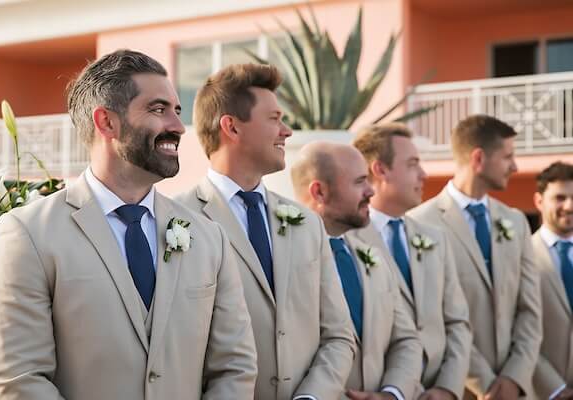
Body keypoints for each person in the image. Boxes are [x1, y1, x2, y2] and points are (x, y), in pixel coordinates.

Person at [0, 49, 257, 400]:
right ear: (106, 122)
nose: (177, 126)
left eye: (177, 111)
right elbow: (18, 380)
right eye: (158, 109)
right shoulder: (29, 233)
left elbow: (235, 366)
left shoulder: (208, 237)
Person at [176, 63, 356, 400]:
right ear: (231, 127)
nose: (286, 131)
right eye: (274, 118)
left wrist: (312, 397)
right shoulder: (176, 220)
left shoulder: (307, 224)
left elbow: (339, 335)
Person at [410, 115, 542, 399]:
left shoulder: (516, 221)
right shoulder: (420, 224)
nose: (515, 166)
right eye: (508, 156)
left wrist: (513, 378)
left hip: (517, 390)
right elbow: (432, 317)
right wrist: (484, 384)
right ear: (479, 158)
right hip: (459, 389)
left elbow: (530, 310)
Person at [291, 141, 423, 400]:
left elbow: (407, 339)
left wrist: (391, 394)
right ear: (319, 192)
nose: (371, 190)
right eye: (359, 181)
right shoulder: (285, 259)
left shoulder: (372, 256)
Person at [349, 123, 472, 400]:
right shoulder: (348, 241)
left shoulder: (435, 239)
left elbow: (457, 322)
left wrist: (447, 389)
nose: (423, 174)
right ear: (380, 170)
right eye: (413, 164)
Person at [531, 161, 573, 400]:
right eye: (559, 197)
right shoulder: (519, 257)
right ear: (539, 201)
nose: (569, 206)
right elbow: (513, 332)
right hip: (542, 393)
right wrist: (553, 388)